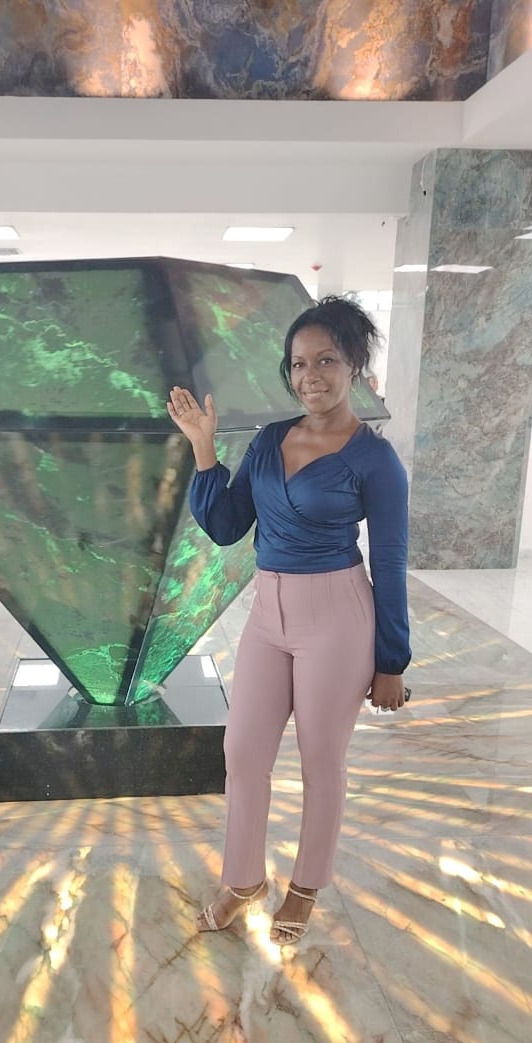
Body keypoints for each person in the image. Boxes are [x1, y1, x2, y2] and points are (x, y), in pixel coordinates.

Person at [167, 296, 410, 948]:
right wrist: (203, 448)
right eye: (299, 364)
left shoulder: (375, 460)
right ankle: (244, 879)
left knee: (320, 761)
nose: (311, 376)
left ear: (353, 365)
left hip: (337, 617)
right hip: (267, 615)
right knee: (243, 753)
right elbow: (226, 526)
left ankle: (305, 887)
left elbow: (390, 562)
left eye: (326, 361)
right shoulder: (271, 439)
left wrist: (392, 660)